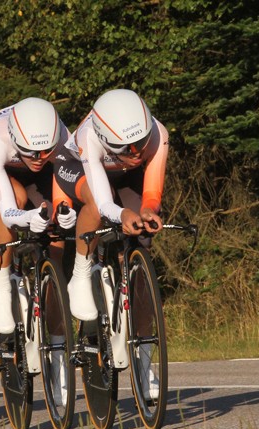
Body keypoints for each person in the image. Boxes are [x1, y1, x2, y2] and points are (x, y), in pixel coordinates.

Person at [0, 96, 78, 406]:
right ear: (17, 139)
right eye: (32, 150)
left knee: (55, 235)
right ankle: (2, 282)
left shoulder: (63, 139)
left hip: (39, 173)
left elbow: (63, 189)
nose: (39, 156)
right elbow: (7, 209)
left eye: (46, 150)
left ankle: (56, 341)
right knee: (14, 200)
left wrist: (63, 213)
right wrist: (27, 217)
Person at [66, 88, 169, 399]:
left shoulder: (158, 134)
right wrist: (122, 213)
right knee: (99, 209)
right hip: (77, 168)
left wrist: (148, 209)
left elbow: (152, 190)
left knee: (141, 237)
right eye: (128, 146)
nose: (137, 151)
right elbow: (104, 202)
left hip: (126, 176)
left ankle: (143, 360)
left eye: (141, 143)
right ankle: (82, 271)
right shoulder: (89, 139)